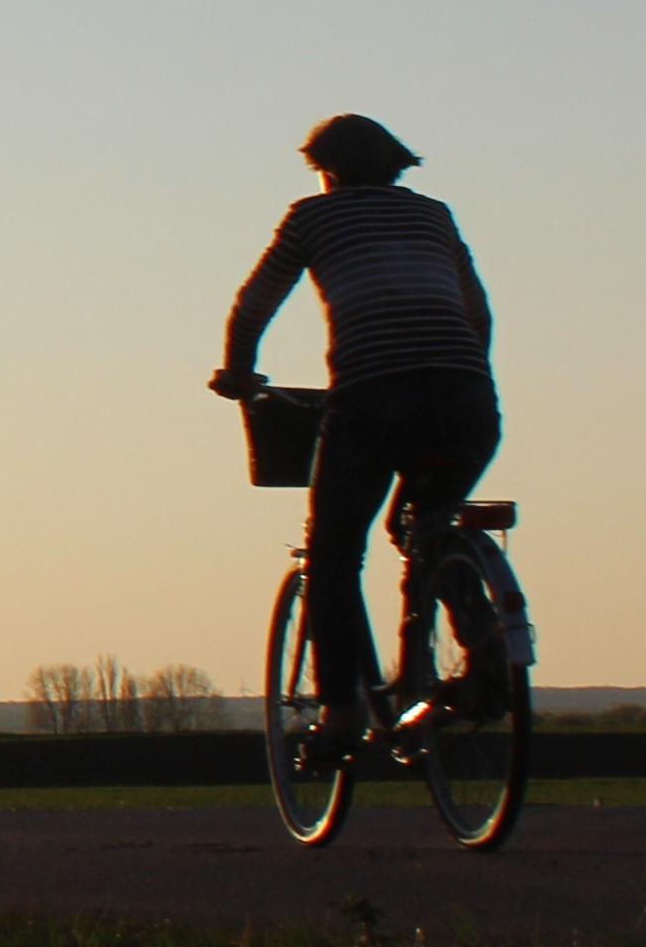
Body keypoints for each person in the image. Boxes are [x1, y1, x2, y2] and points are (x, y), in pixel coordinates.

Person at [213, 113, 502, 749]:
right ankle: (483, 649)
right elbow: (477, 312)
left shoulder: (311, 219)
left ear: (328, 171)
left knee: (335, 555)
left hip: (374, 399)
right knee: (424, 524)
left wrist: (238, 372)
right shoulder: (434, 216)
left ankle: (341, 715)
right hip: (467, 401)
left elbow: (255, 301)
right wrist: (460, 370)